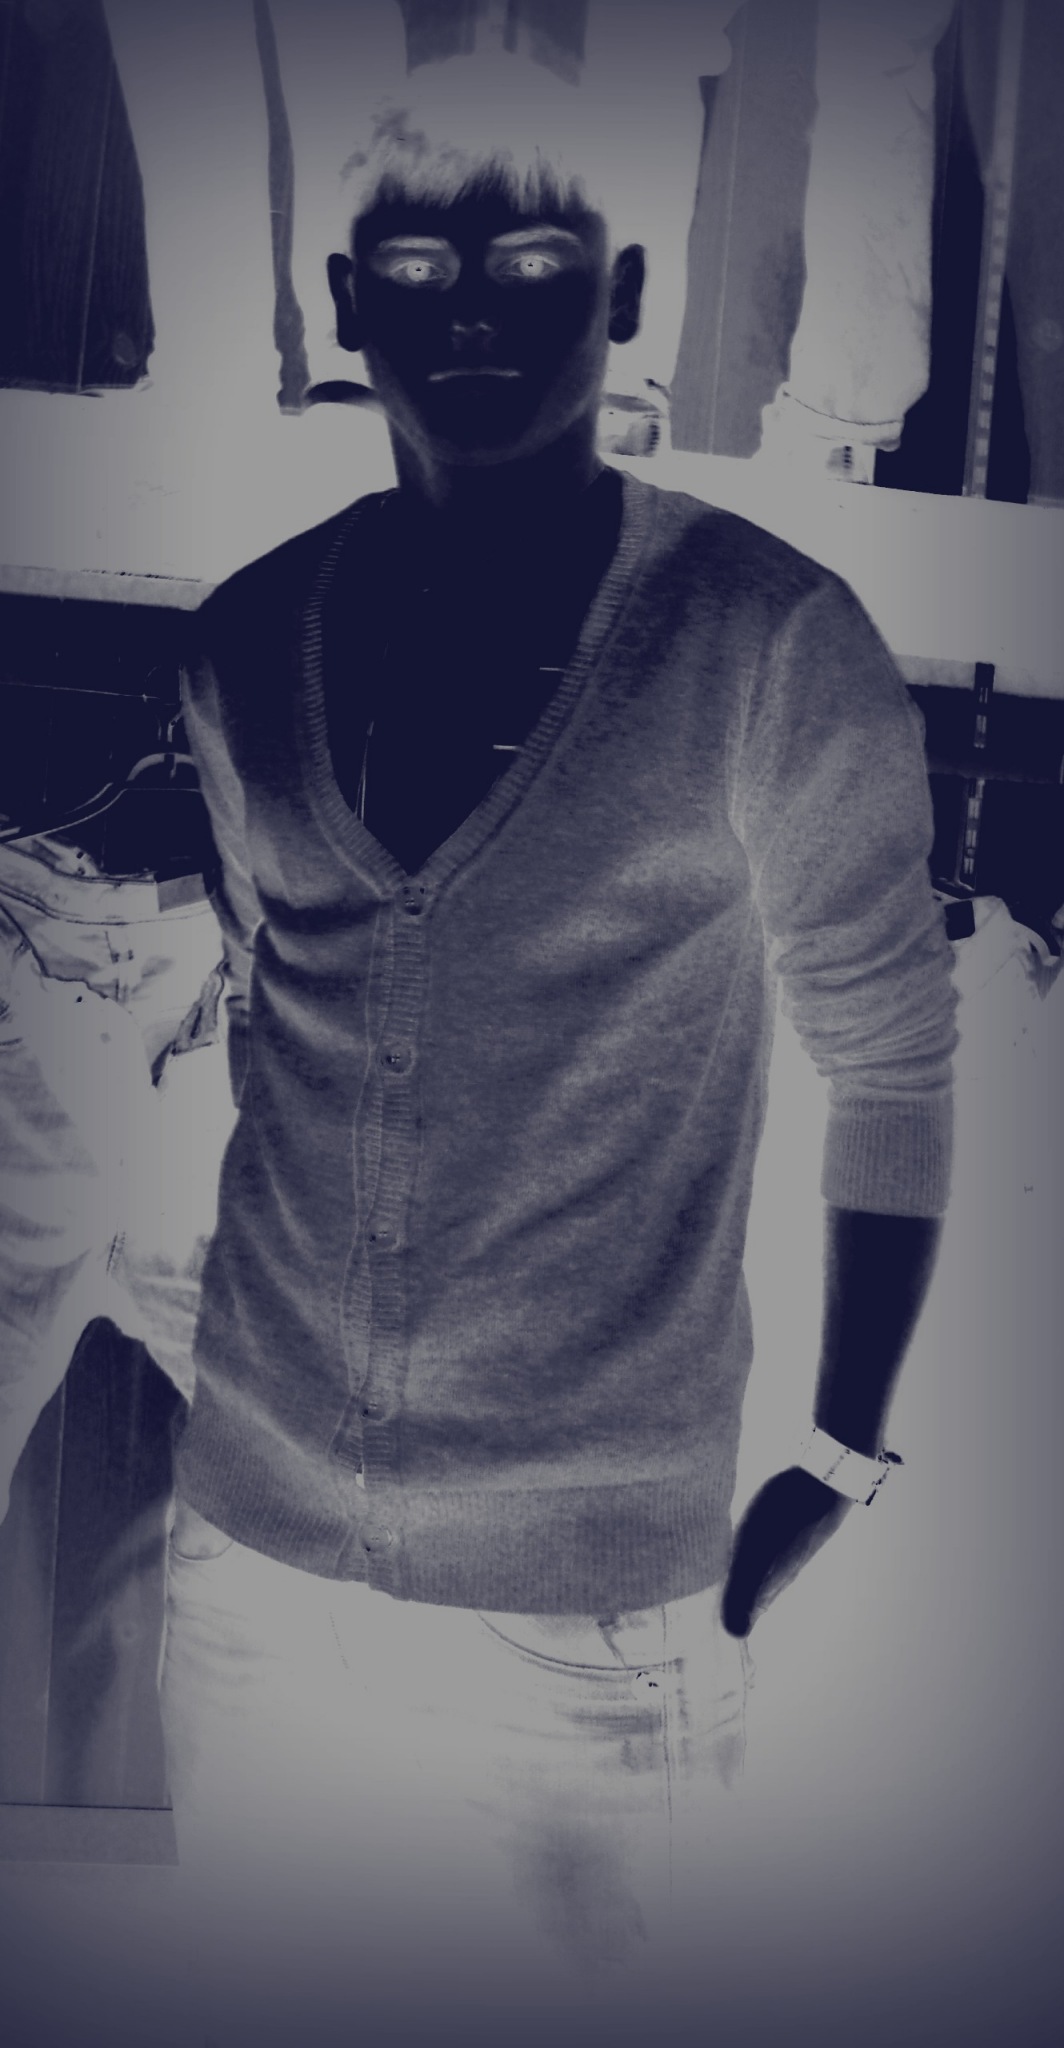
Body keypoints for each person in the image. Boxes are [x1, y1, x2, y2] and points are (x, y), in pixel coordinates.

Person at [168, 54, 957, 2048]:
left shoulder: (770, 645)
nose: (471, 308)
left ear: (620, 297)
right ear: (344, 302)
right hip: (247, 1559)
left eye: (528, 260)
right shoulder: (245, 639)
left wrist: (839, 1458)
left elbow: (889, 1063)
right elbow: (280, 1019)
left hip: (580, 1624)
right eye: (417, 263)